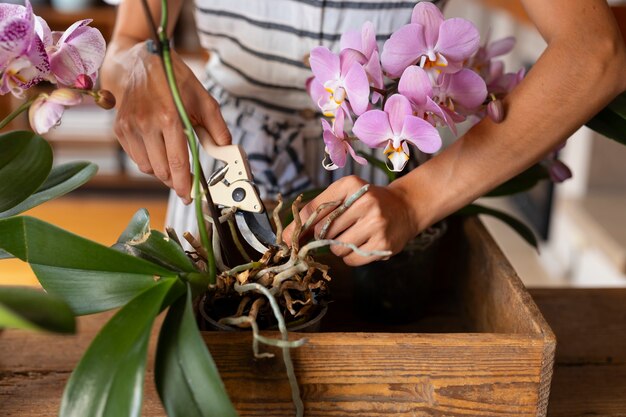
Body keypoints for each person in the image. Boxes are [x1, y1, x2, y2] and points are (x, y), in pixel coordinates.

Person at [102, 0, 626, 266]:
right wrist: (139, 67)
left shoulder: (402, 197)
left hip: (380, 181)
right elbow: (130, 38)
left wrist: (414, 202)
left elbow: (595, 50)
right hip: (222, 169)